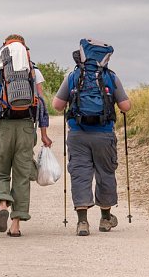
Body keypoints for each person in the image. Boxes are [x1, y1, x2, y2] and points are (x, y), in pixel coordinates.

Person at [52, 39, 131, 236]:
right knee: (106, 173)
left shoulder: (73, 76)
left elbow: (57, 105)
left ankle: (82, 222)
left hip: (78, 134)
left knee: (80, 174)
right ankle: (105, 219)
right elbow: (125, 107)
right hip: (104, 134)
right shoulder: (110, 77)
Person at [0, 34, 52, 237]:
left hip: (3, 127)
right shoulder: (32, 69)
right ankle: (16, 225)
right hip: (27, 127)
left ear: (5, 47)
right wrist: (44, 134)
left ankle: (3, 204)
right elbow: (41, 104)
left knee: (0, 171)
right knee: (21, 176)